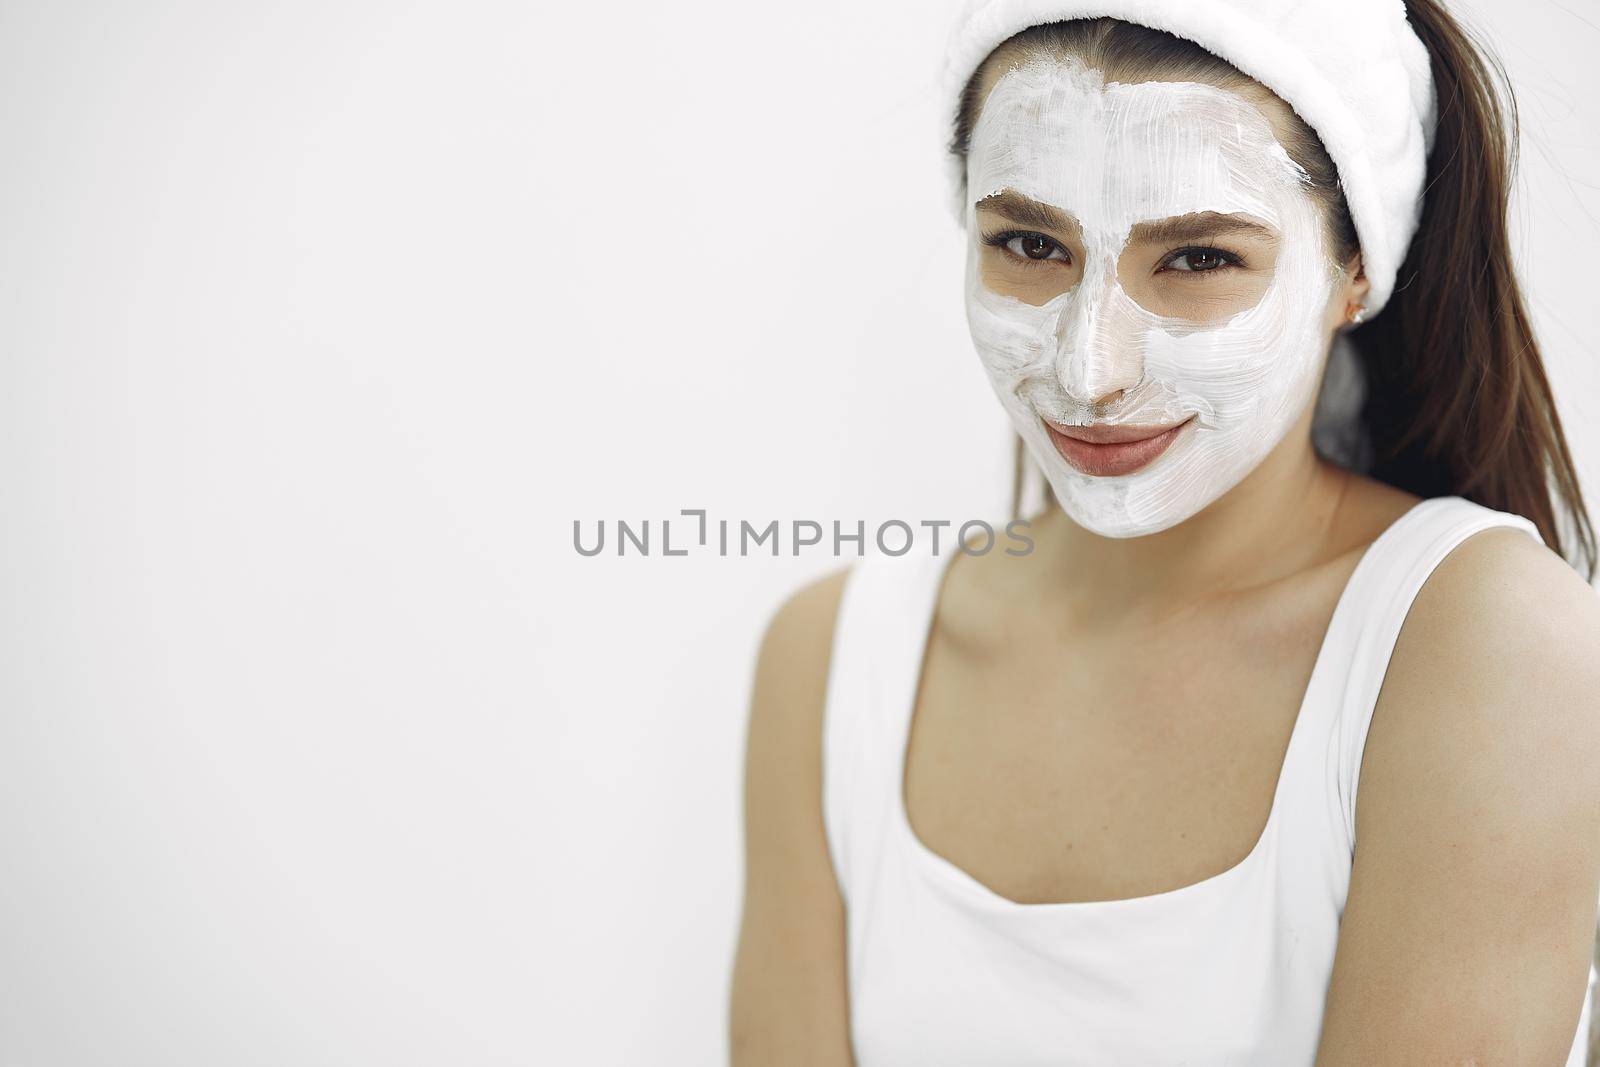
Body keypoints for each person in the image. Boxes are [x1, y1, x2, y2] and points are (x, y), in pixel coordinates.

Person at [729, 1, 1600, 1062]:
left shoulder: (1489, 646)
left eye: (1195, 261)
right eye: (1029, 244)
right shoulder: (832, 661)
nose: (1088, 371)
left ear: (1353, 269)